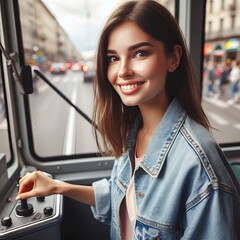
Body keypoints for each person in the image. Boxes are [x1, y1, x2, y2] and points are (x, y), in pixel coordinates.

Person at [16, 1, 240, 239]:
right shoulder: (134, 132)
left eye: (140, 53)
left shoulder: (199, 164)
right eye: (113, 58)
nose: (122, 71)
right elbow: (123, 195)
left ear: (173, 58)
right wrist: (58, 187)